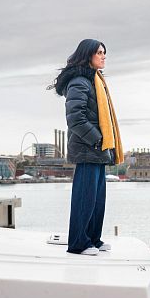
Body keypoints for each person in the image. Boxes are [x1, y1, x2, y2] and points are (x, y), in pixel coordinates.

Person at [50, 39, 123, 255]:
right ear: (88, 55)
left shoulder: (96, 81)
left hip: (98, 150)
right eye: (99, 52)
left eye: (104, 53)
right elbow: (75, 118)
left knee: (97, 200)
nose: (103, 56)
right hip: (88, 149)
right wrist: (98, 140)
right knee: (84, 198)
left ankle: (93, 239)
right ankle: (78, 243)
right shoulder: (80, 82)